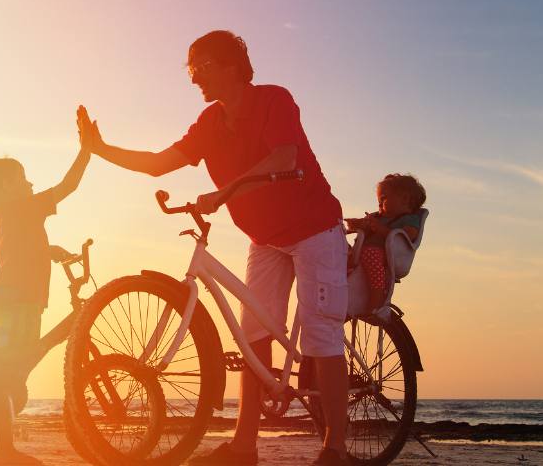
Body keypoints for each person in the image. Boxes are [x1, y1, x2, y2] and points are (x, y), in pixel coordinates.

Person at [78, 30, 351, 466]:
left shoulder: (273, 100)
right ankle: (245, 446)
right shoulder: (209, 123)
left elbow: (284, 158)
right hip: (265, 239)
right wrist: (100, 149)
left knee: (321, 335)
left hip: (314, 229)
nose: (194, 79)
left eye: (202, 67)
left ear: (232, 65)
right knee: (253, 339)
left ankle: (335, 448)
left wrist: (228, 190)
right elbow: (157, 164)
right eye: (190, 70)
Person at [0, 129, 91, 466]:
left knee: (8, 374)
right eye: (24, 179)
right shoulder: (23, 209)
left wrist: (49, 250)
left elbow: (20, 253)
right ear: (8, 188)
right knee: (9, 374)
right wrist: (87, 150)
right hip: (18, 304)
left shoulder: (5, 221)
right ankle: (4, 452)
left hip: (16, 303)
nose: (31, 184)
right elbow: (69, 186)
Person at [344, 173, 426, 311]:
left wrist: (381, 229)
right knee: (337, 249)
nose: (379, 204)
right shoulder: (379, 217)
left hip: (385, 256)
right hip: (361, 252)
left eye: (383, 198)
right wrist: (357, 224)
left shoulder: (409, 219)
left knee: (371, 254)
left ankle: (377, 297)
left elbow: (407, 236)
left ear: (404, 199)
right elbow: (364, 226)